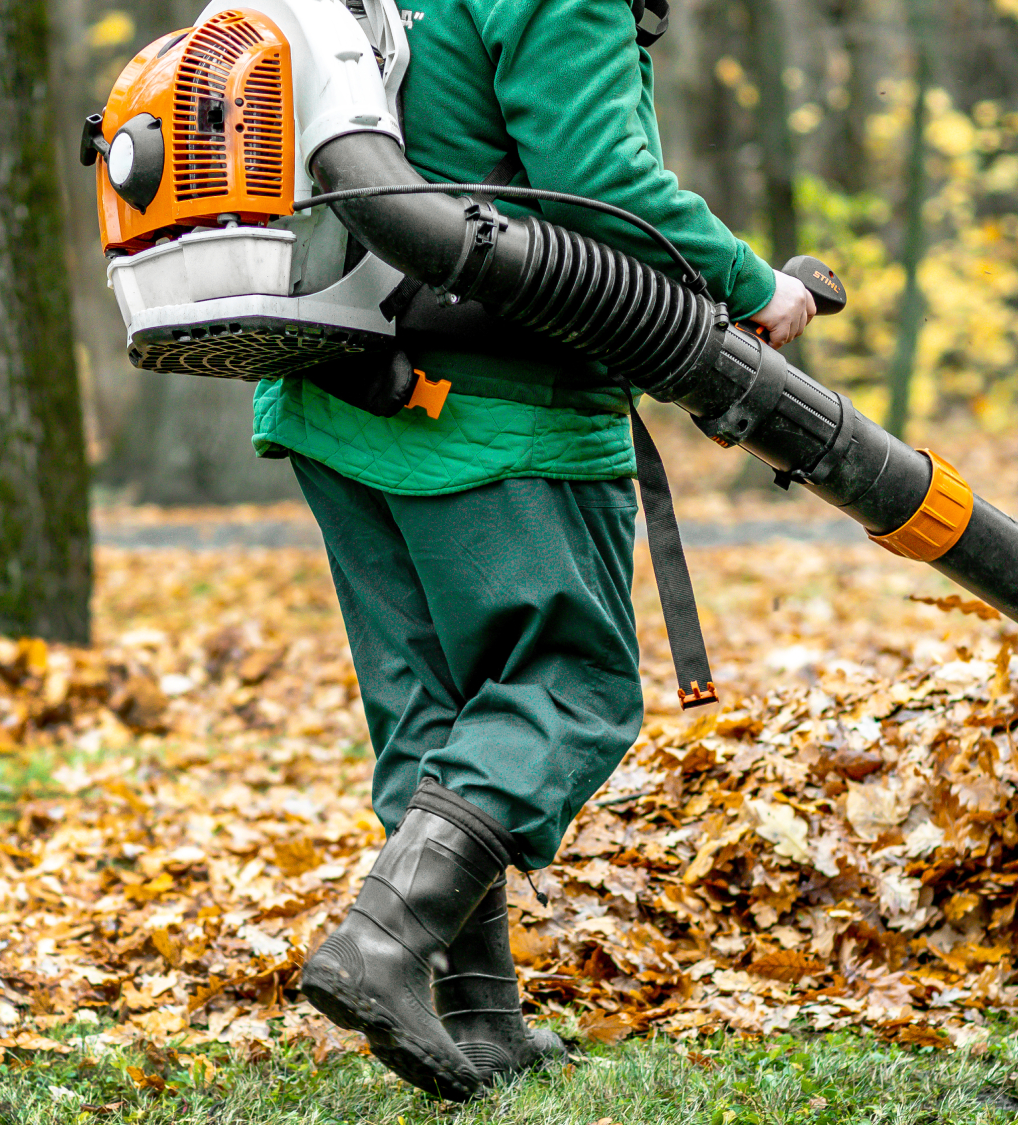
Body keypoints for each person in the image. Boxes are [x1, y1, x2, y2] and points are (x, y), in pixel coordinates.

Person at [263, 0, 816, 1100]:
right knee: (569, 689)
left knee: (437, 707)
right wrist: (760, 286)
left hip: (336, 382)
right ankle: (381, 946)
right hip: (492, 402)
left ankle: (477, 1021)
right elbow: (599, 179)